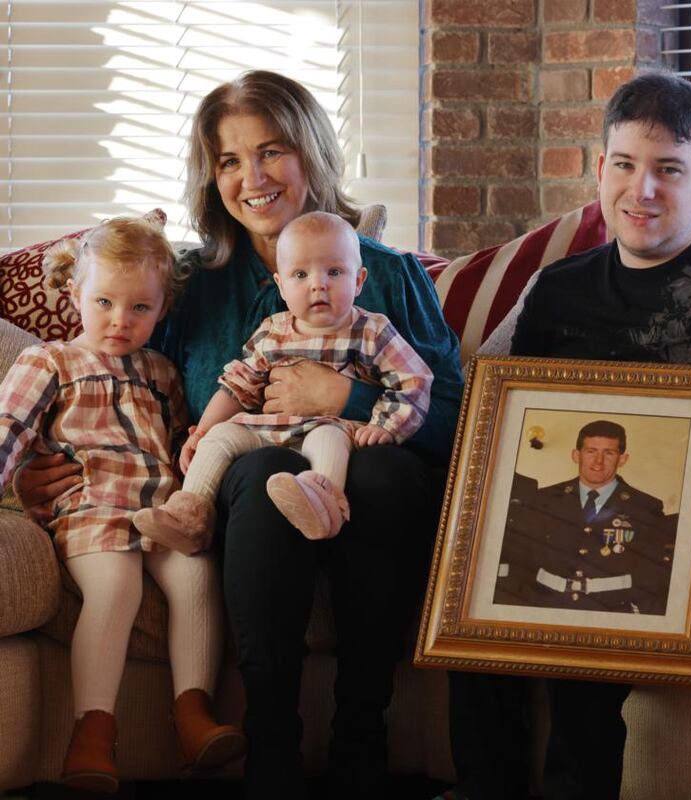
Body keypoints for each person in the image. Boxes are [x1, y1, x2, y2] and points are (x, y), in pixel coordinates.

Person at [18, 71, 463, 800]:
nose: (251, 177)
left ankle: (361, 739)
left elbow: (457, 415)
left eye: (271, 151)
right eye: (229, 160)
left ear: (310, 153)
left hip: (376, 485)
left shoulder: (384, 275)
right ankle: (272, 750)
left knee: (370, 474)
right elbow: (125, 384)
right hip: (245, 488)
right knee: (255, 479)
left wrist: (346, 396)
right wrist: (42, 466)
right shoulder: (196, 285)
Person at [439, 70, 691, 800]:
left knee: (604, 542)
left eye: (668, 169)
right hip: (589, 496)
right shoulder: (557, 289)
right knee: (480, 540)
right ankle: (488, 786)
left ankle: (580, 787)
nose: (643, 191)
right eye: (626, 166)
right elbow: (495, 420)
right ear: (599, 169)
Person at [0, 217, 246, 794]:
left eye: (140, 307)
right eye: (105, 301)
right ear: (76, 294)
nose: (120, 320)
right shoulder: (50, 362)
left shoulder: (161, 372)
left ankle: (192, 715)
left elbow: (181, 441)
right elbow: (9, 429)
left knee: (196, 578)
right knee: (116, 585)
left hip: (159, 511)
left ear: (162, 310)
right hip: (90, 508)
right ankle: (92, 733)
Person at [133, 210, 433, 545]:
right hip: (270, 429)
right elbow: (238, 385)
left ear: (359, 280)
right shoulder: (273, 331)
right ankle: (190, 516)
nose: (318, 284)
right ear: (282, 286)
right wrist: (202, 431)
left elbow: (414, 379)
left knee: (328, 441)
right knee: (220, 437)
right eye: (301, 274)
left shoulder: (371, 331)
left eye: (334, 272)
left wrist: (385, 425)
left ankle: (323, 505)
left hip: (330, 424)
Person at [494, 420, 677, 615]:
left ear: (622, 459)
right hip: (544, 606)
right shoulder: (542, 499)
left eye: (608, 453)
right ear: (576, 455)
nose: (598, 462)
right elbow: (520, 561)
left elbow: (655, 576)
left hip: (610, 610)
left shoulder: (645, 507)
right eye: (591, 451)